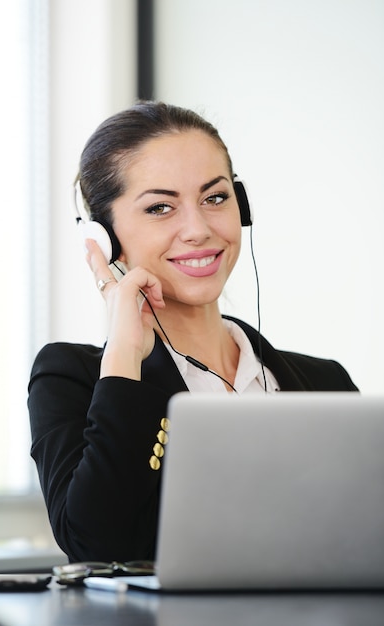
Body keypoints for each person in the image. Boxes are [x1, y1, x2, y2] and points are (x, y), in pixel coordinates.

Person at [28, 101, 358, 563]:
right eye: (160, 207)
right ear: (104, 236)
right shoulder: (73, 377)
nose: (198, 229)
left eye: (215, 198)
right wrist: (126, 354)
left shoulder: (327, 383)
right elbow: (96, 546)